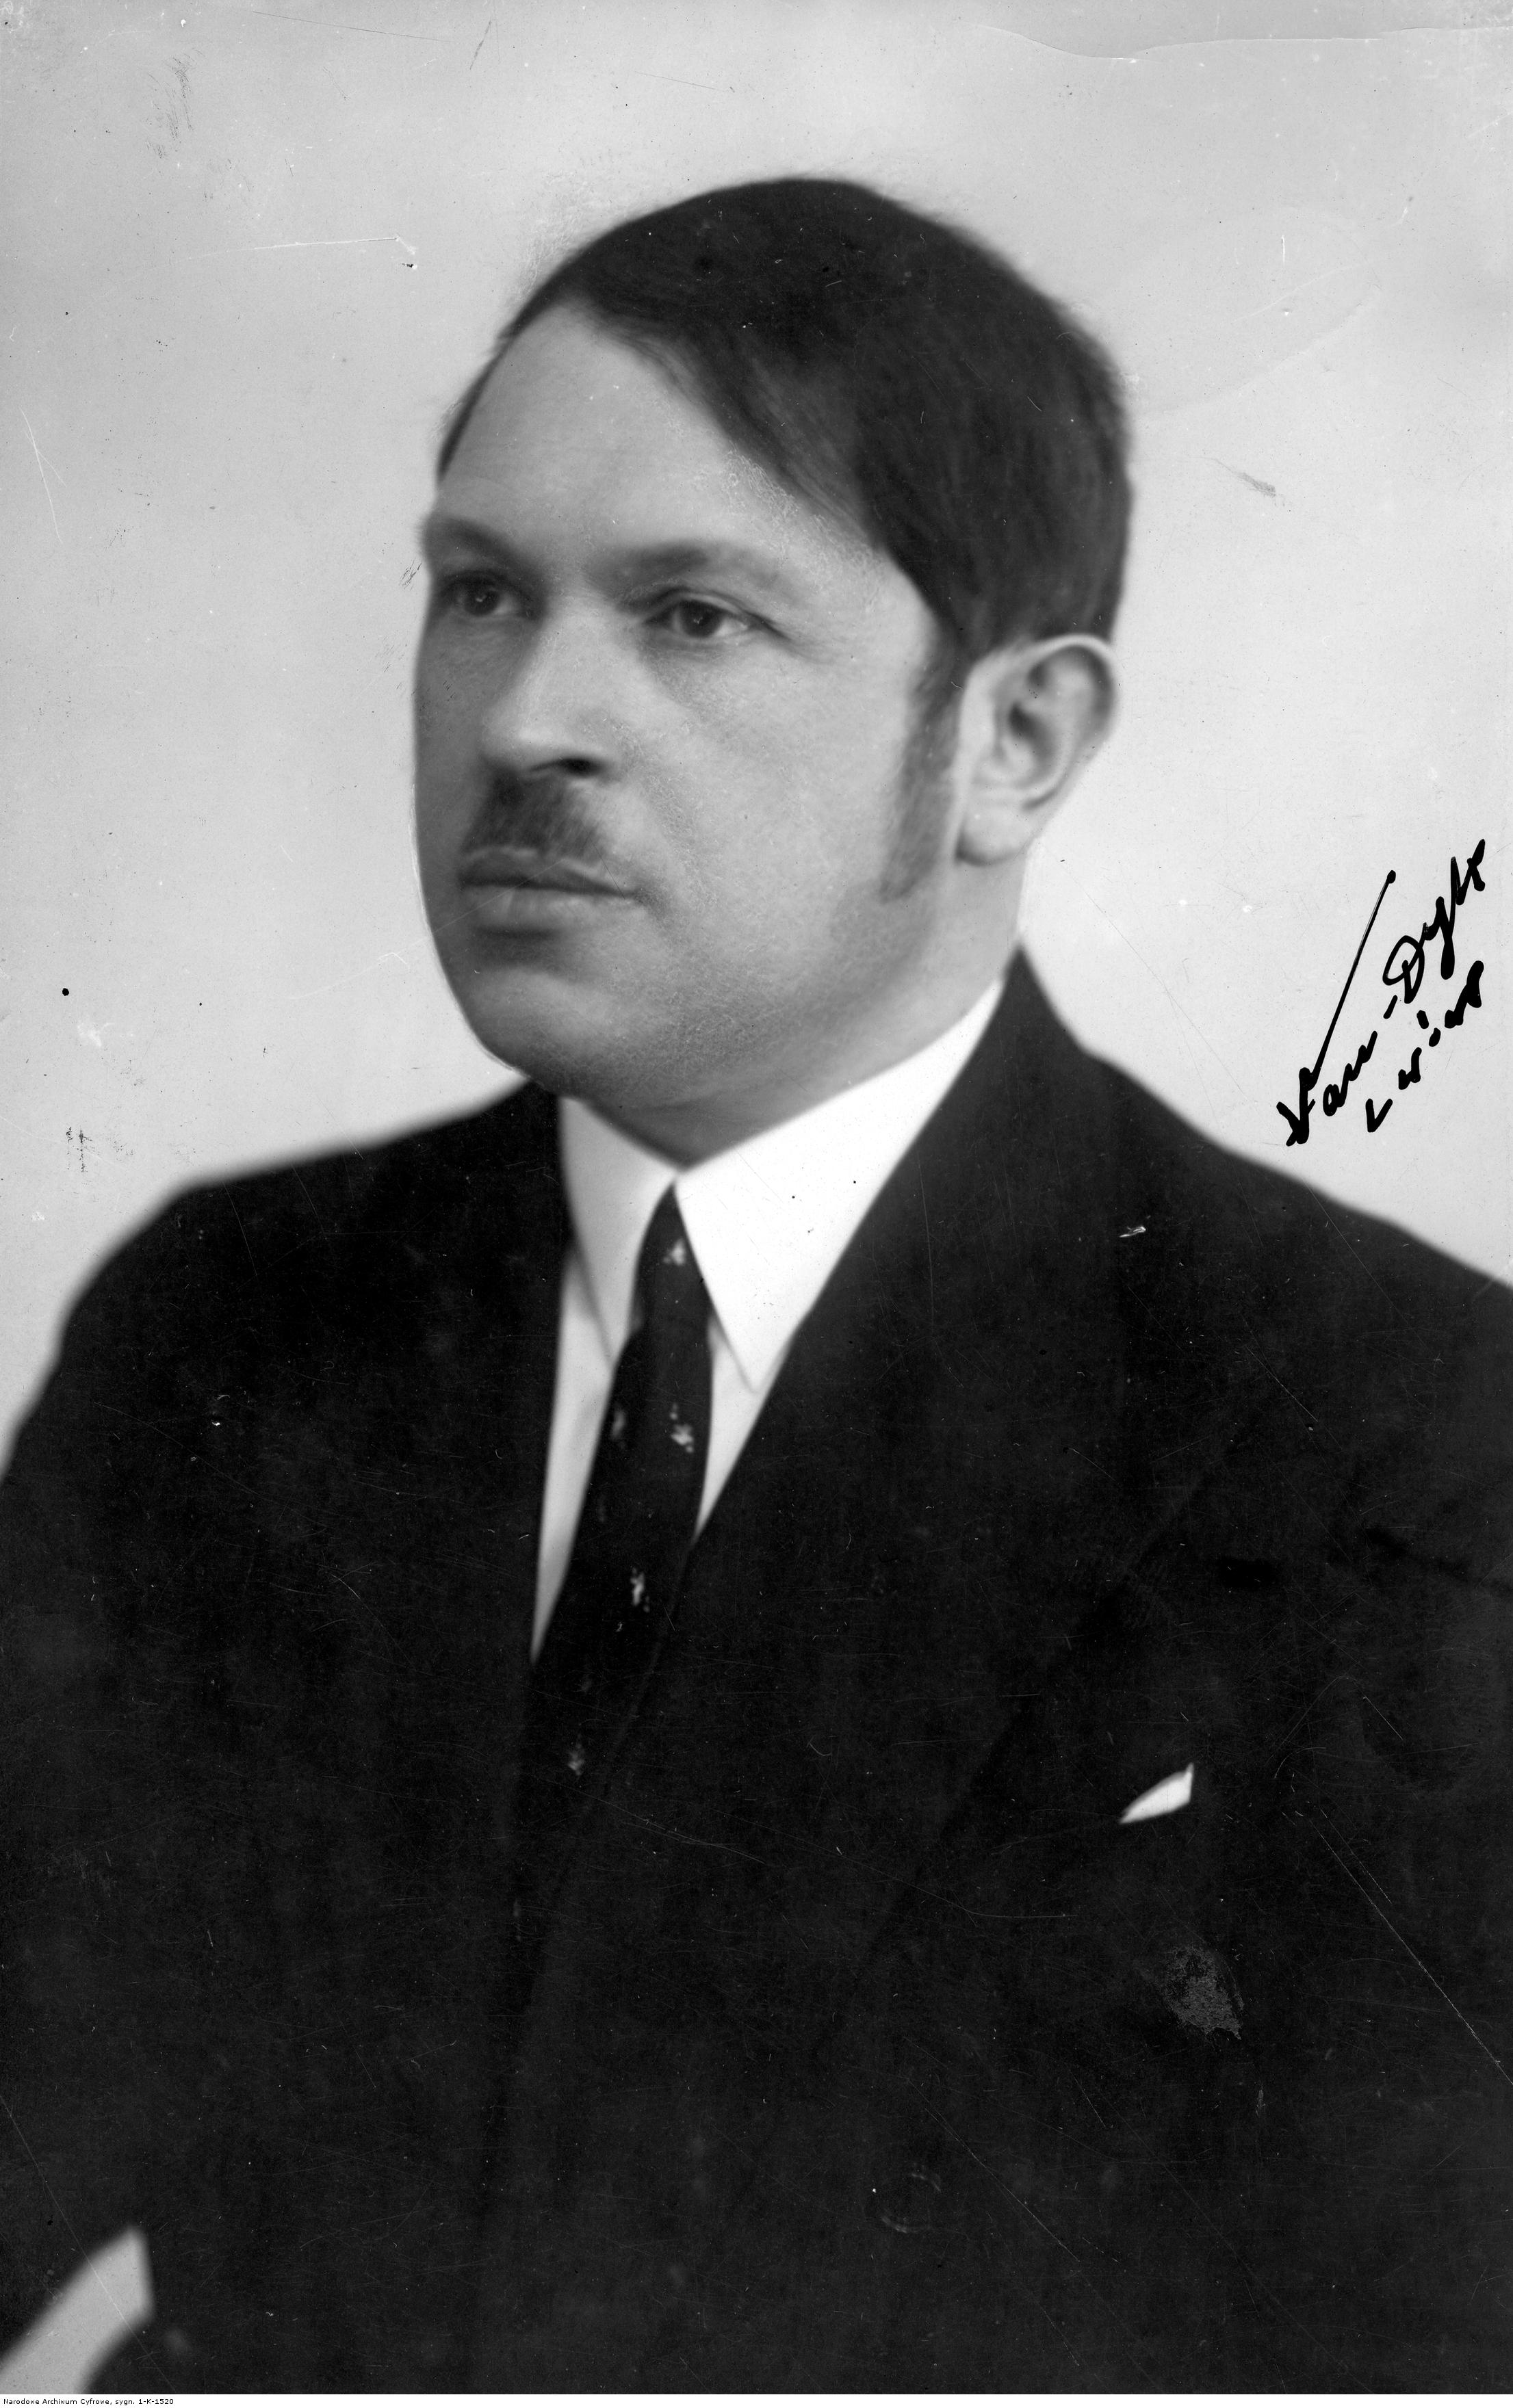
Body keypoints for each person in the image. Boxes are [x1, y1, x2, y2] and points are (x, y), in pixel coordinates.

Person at [2, 176, 1510, 2392]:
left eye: (692, 616)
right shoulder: (230, 1323)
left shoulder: (1403, 1429)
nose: (525, 720)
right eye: (480, 592)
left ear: (1013, 742)